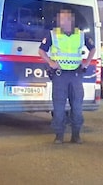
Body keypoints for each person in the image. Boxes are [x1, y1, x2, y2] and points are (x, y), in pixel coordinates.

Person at [38, 8, 96, 144]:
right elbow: (41, 51)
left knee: (77, 106)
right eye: (62, 19)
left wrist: (86, 62)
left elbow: (92, 48)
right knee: (58, 107)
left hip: (76, 75)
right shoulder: (53, 34)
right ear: (59, 21)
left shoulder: (81, 35)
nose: (64, 21)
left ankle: (76, 135)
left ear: (72, 20)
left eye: (67, 19)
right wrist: (51, 62)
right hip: (60, 76)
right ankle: (59, 135)